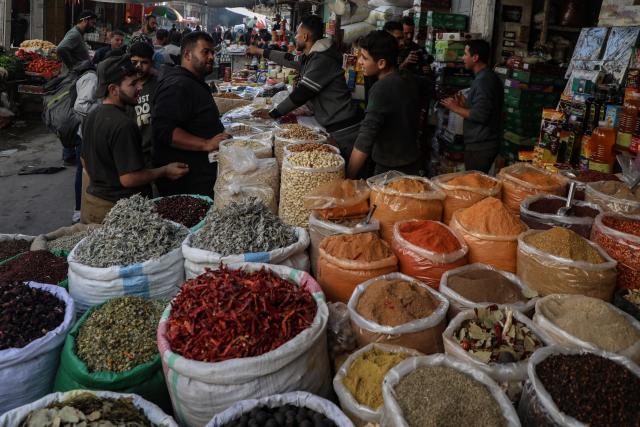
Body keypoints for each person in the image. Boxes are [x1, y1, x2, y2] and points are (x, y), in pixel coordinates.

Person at [80, 55, 188, 224]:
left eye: (138, 82)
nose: (139, 87)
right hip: (117, 211)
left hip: (92, 204)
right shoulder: (123, 124)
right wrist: (165, 170)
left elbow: (84, 160)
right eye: (132, 84)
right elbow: (129, 179)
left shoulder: (91, 116)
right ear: (113, 89)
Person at [246, 15, 362, 162]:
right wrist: (260, 51)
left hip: (345, 129)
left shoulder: (322, 60)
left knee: (348, 173)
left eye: (297, 33)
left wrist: (273, 114)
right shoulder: (311, 57)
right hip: (335, 125)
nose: (295, 37)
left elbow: (301, 94)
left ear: (306, 37)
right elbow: (288, 59)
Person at [152, 32, 231, 197]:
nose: (211, 57)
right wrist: (205, 143)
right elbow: (164, 130)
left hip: (200, 176)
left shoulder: (192, 81)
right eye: (205, 52)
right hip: (187, 184)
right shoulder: (178, 85)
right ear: (187, 54)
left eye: (212, 52)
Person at [347, 31, 425, 179]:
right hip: (412, 162)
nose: (360, 62)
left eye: (364, 58)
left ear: (381, 63)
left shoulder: (382, 88)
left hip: (390, 170)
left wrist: (348, 177)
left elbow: (366, 137)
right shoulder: (407, 77)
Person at [441, 40, 502, 173]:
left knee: (476, 185)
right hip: (480, 142)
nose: (463, 58)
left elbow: (480, 115)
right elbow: (481, 107)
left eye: (465, 54)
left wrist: (454, 108)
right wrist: (463, 104)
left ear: (475, 57)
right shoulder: (483, 77)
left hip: (481, 145)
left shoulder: (484, 81)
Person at [127, 42, 157, 167]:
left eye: (144, 62)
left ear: (151, 63)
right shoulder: (124, 86)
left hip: (153, 152)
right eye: (134, 62)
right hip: (131, 151)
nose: (139, 66)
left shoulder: (157, 84)